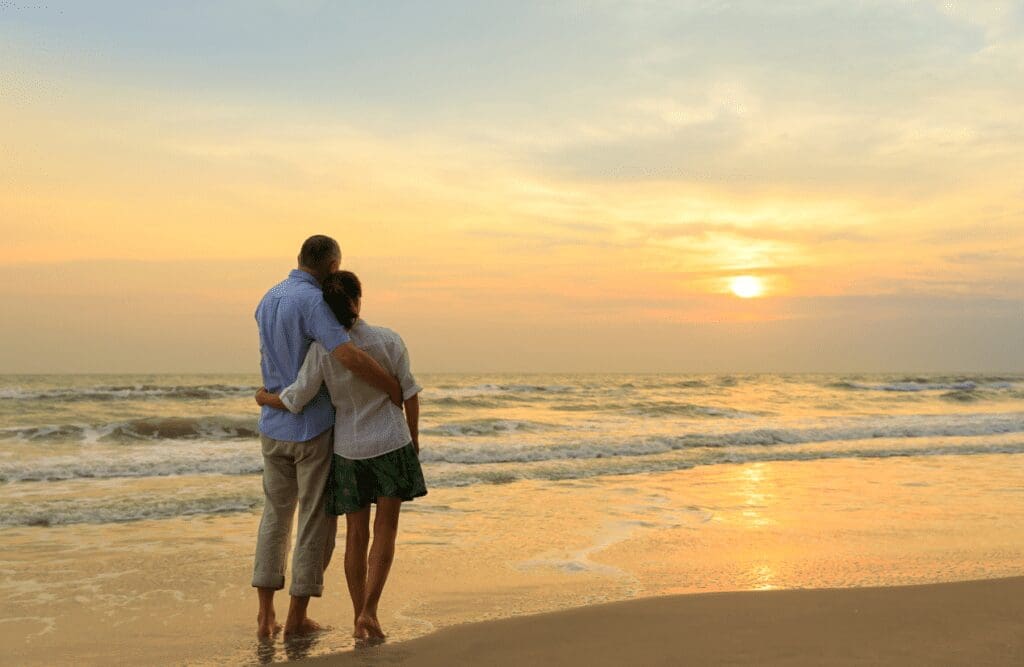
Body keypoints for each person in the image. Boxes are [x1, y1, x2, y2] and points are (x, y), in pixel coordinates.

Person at [256, 270, 425, 641]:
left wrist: (264, 398)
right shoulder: (389, 339)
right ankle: (370, 612)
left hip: (348, 449)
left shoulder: (322, 351)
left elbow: (296, 397)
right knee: (386, 533)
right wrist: (412, 440)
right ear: (358, 299)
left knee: (356, 536)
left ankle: (356, 617)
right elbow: (409, 393)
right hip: (391, 443)